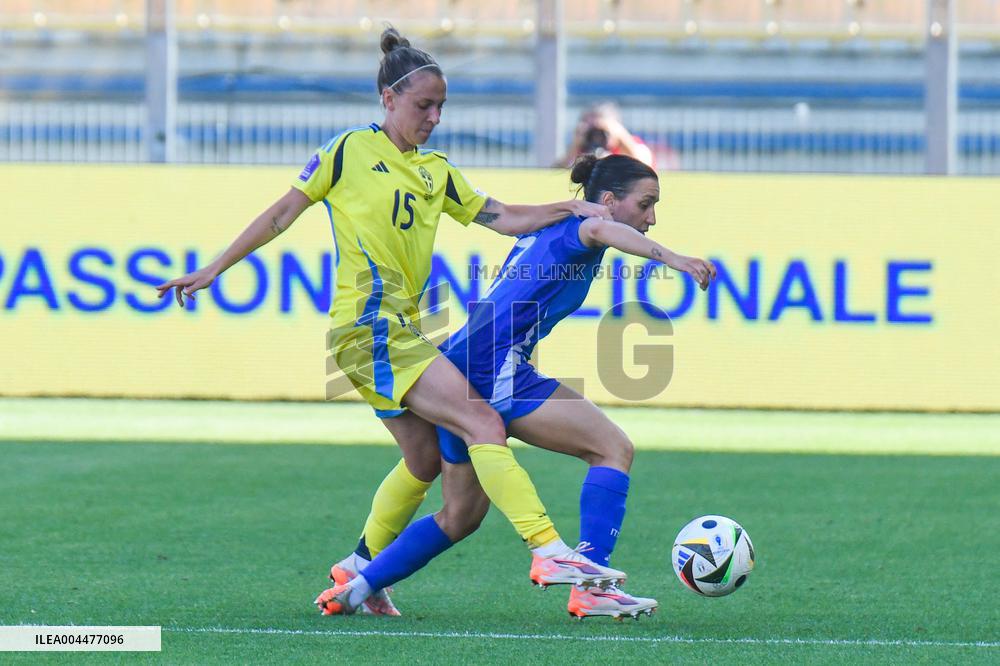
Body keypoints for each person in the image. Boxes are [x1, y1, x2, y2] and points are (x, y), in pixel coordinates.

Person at [155, 26, 627, 614]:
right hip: (366, 330)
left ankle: (359, 570)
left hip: (398, 332)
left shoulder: (436, 169)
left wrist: (567, 205)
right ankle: (548, 547)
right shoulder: (349, 150)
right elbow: (282, 213)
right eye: (423, 105)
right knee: (482, 421)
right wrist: (213, 269)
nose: (433, 117)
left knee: (425, 460)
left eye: (441, 107)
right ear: (388, 98)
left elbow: (503, 217)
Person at [316, 153, 717, 620]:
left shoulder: (547, 227)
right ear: (607, 200)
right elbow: (605, 230)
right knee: (612, 448)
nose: (651, 217)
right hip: (494, 367)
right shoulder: (584, 229)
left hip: (463, 362)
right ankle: (591, 580)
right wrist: (675, 258)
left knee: (460, 517)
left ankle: (359, 584)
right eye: (646, 204)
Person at [560, 101, 656, 169]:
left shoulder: (631, 146)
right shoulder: (579, 149)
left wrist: (620, 135)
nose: (596, 136)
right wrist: (575, 146)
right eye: (591, 131)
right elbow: (555, 172)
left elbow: (646, 167)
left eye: (603, 131)